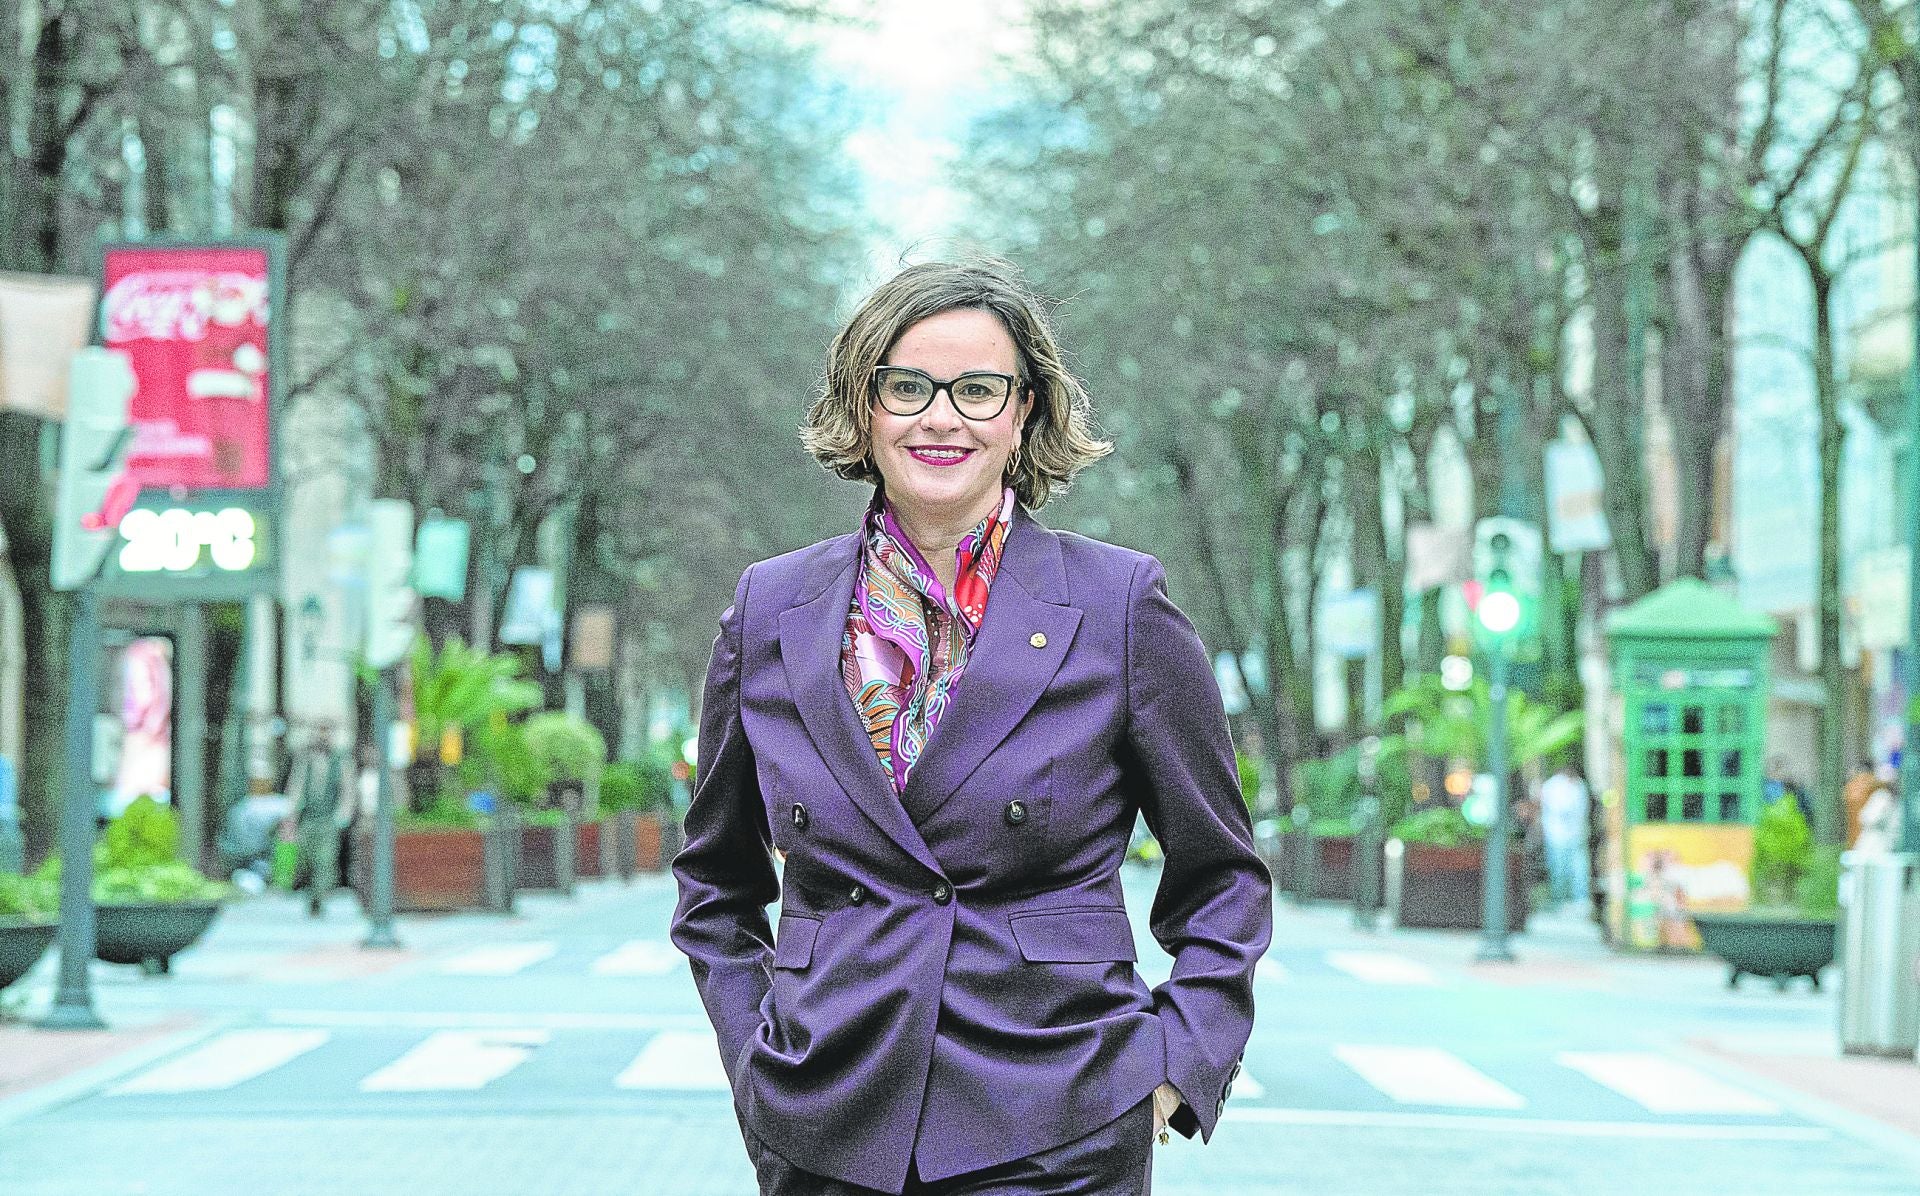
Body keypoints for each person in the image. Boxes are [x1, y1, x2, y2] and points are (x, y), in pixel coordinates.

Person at [671, 260, 1273, 1196]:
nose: (941, 418)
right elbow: (715, 883)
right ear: (863, 406)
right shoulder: (771, 609)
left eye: (978, 390)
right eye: (907, 387)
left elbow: (1222, 873)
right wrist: (757, 1067)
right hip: (827, 1119)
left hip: (1059, 1118)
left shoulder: (1118, 604)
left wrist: (1175, 1062)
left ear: (1024, 411)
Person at [283, 720, 351, 917]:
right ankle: (310, 892)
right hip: (308, 818)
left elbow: (347, 791)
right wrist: (290, 817)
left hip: (328, 820)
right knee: (304, 859)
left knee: (325, 860)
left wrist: (342, 816)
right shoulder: (304, 760)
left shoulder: (341, 760)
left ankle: (318, 898)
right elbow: (295, 788)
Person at [1538, 763, 1591, 905]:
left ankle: (1576, 900)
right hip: (1559, 836)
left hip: (1572, 836)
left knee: (1576, 870)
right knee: (1561, 870)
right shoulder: (1554, 786)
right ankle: (1561, 900)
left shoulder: (1578, 785)